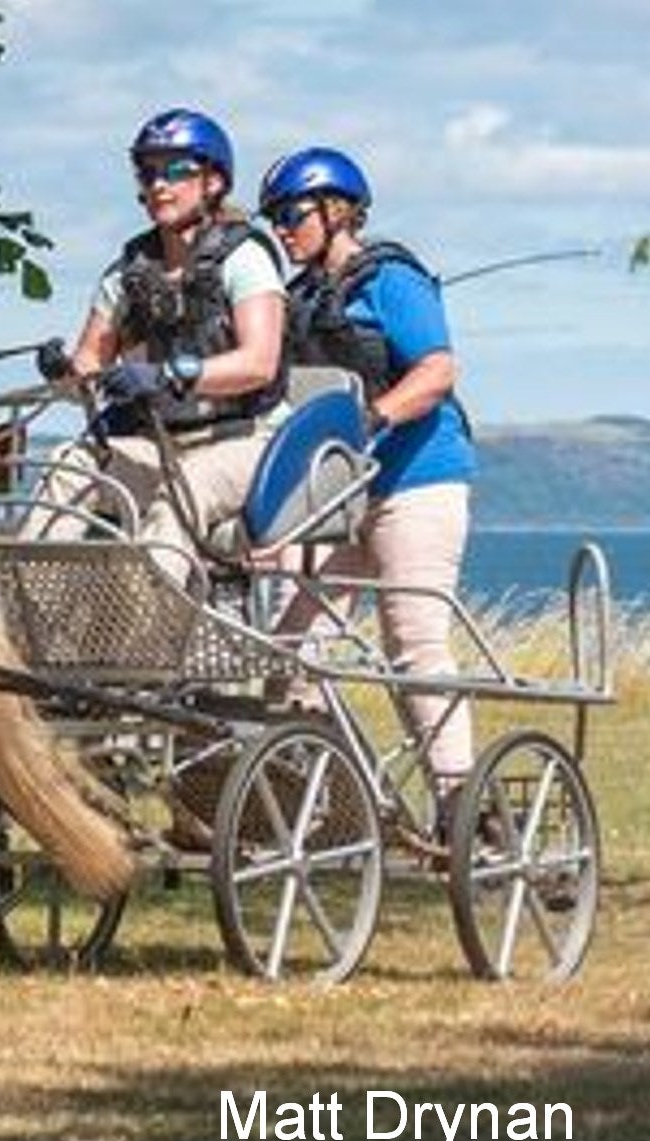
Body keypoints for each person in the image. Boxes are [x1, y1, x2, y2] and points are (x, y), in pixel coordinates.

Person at [257, 145, 477, 822]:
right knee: (292, 650)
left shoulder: (393, 281)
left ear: (337, 211)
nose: (283, 230)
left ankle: (464, 809)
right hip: (334, 490)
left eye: (292, 214)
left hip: (416, 477)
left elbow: (436, 372)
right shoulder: (297, 300)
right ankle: (322, 807)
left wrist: (373, 416)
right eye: (274, 219)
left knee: (413, 644)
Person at [23, 107, 288, 589]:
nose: (159, 185)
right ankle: (26, 611)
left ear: (213, 181)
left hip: (250, 442)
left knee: (185, 490)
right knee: (70, 464)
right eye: (148, 173)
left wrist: (169, 375)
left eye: (177, 170)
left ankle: (145, 624)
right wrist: (63, 373)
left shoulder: (245, 258)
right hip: (161, 444)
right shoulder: (127, 273)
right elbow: (88, 369)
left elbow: (259, 363)